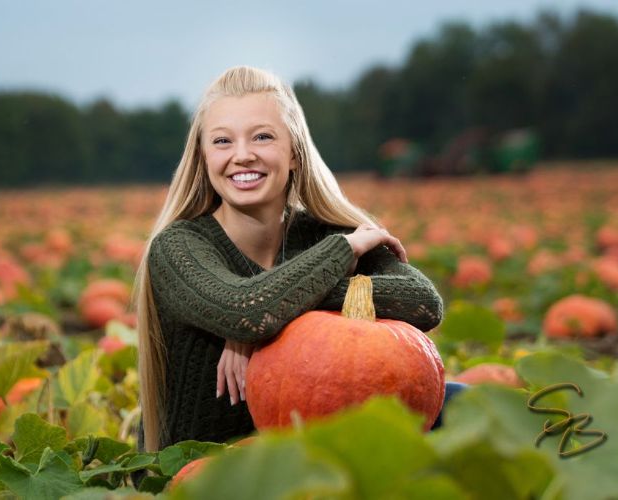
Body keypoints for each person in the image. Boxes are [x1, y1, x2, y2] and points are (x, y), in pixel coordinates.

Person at [133, 65, 452, 455]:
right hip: (209, 474)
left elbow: (422, 302)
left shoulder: (321, 234)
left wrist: (276, 313)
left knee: (462, 403)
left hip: (314, 459)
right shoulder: (179, 247)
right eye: (222, 141)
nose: (242, 156)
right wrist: (343, 253)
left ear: (295, 154)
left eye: (262, 137)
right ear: (203, 158)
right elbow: (244, 310)